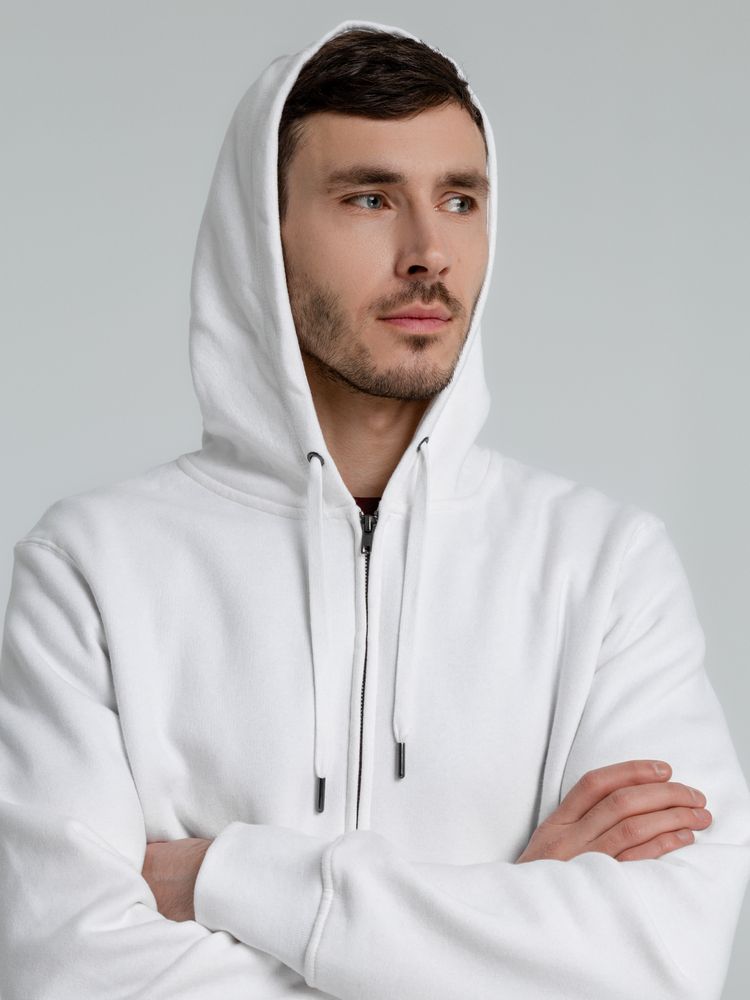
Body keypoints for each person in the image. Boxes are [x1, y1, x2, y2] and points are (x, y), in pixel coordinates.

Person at [0, 17, 748, 999]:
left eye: (459, 199)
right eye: (369, 198)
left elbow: (661, 962)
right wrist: (510, 923)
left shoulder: (604, 567)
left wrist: (225, 878)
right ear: (263, 235)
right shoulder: (93, 570)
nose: (429, 250)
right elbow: (67, 971)